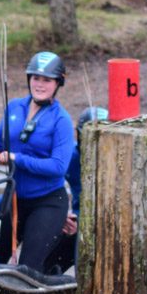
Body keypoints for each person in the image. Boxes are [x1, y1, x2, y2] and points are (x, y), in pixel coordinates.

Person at [0, 52, 76, 272]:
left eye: (47, 80)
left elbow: (58, 167)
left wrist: (17, 159)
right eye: (36, 78)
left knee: (28, 267)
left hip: (47, 202)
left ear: (58, 83)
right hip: (15, 199)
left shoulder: (61, 120)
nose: (40, 84)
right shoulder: (14, 108)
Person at [44, 106, 106, 275]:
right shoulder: (69, 156)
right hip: (77, 222)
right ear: (78, 135)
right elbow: (47, 186)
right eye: (88, 137)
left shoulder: (116, 162)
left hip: (104, 227)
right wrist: (62, 215)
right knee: (44, 264)